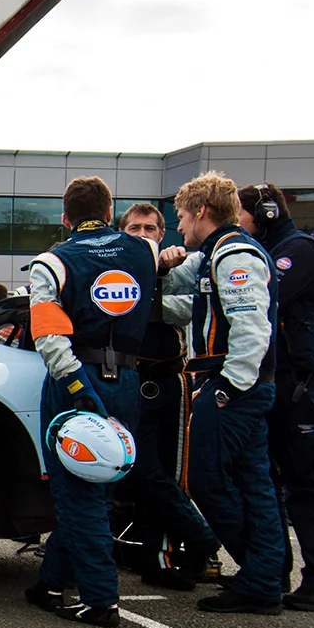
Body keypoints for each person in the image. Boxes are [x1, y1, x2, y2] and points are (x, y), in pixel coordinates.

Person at [20, 174, 156, 627]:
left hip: (76, 379)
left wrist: (77, 385)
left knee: (77, 494)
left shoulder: (52, 262)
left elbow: (48, 334)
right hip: (130, 380)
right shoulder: (146, 251)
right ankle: (49, 583)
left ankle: (102, 601)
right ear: (111, 211)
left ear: (65, 217)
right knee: (96, 487)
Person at [158, 172, 285, 615]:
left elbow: (252, 329)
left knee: (208, 480)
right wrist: (162, 264)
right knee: (253, 485)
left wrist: (228, 387)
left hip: (231, 385)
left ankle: (261, 575)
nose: (179, 228)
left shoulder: (235, 254)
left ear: (200, 212)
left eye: (181, 218)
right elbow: (175, 291)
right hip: (237, 384)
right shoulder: (213, 252)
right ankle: (264, 577)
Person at [238, 182, 314, 610]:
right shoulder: (263, 251)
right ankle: (271, 572)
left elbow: (261, 299)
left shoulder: (299, 251)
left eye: (240, 215)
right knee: (267, 481)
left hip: (296, 382)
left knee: (303, 482)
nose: (237, 224)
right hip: (271, 379)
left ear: (264, 213)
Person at [115, 204, 218, 588]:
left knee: (164, 473)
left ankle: (161, 558)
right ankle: (196, 536)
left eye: (150, 228)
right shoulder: (115, 264)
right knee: (139, 469)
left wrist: (152, 294)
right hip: (127, 377)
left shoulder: (184, 264)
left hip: (168, 380)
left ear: (163, 233)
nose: (142, 234)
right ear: (123, 231)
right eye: (135, 228)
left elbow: (194, 309)